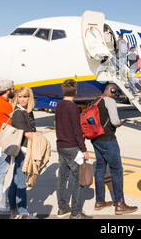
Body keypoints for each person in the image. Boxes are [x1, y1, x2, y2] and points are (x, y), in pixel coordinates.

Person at [91, 84, 138, 215]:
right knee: (117, 170)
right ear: (112, 91)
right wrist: (121, 122)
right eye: (115, 93)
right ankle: (120, 203)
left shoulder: (97, 100)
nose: (116, 95)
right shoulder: (110, 101)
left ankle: (99, 201)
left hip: (96, 139)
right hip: (108, 140)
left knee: (100, 168)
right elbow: (115, 122)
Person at [55, 79, 92, 219]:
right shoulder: (73, 108)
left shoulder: (58, 106)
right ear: (75, 91)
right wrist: (84, 149)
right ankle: (75, 212)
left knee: (62, 178)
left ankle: (62, 207)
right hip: (72, 147)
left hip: (61, 145)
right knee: (78, 179)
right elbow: (77, 131)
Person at [7, 86, 37, 219]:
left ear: (29, 97)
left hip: (26, 149)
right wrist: (41, 141)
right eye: (20, 97)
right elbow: (27, 134)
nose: (22, 99)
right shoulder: (19, 113)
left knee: (16, 180)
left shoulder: (27, 112)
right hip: (23, 150)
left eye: (25, 96)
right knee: (21, 182)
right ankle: (23, 212)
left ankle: (13, 208)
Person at [0, 79, 15, 211]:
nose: (14, 91)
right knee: (2, 170)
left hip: (3, 140)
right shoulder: (3, 103)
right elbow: (16, 116)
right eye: (12, 89)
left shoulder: (2, 101)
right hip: (4, 141)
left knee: (2, 170)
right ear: (8, 90)